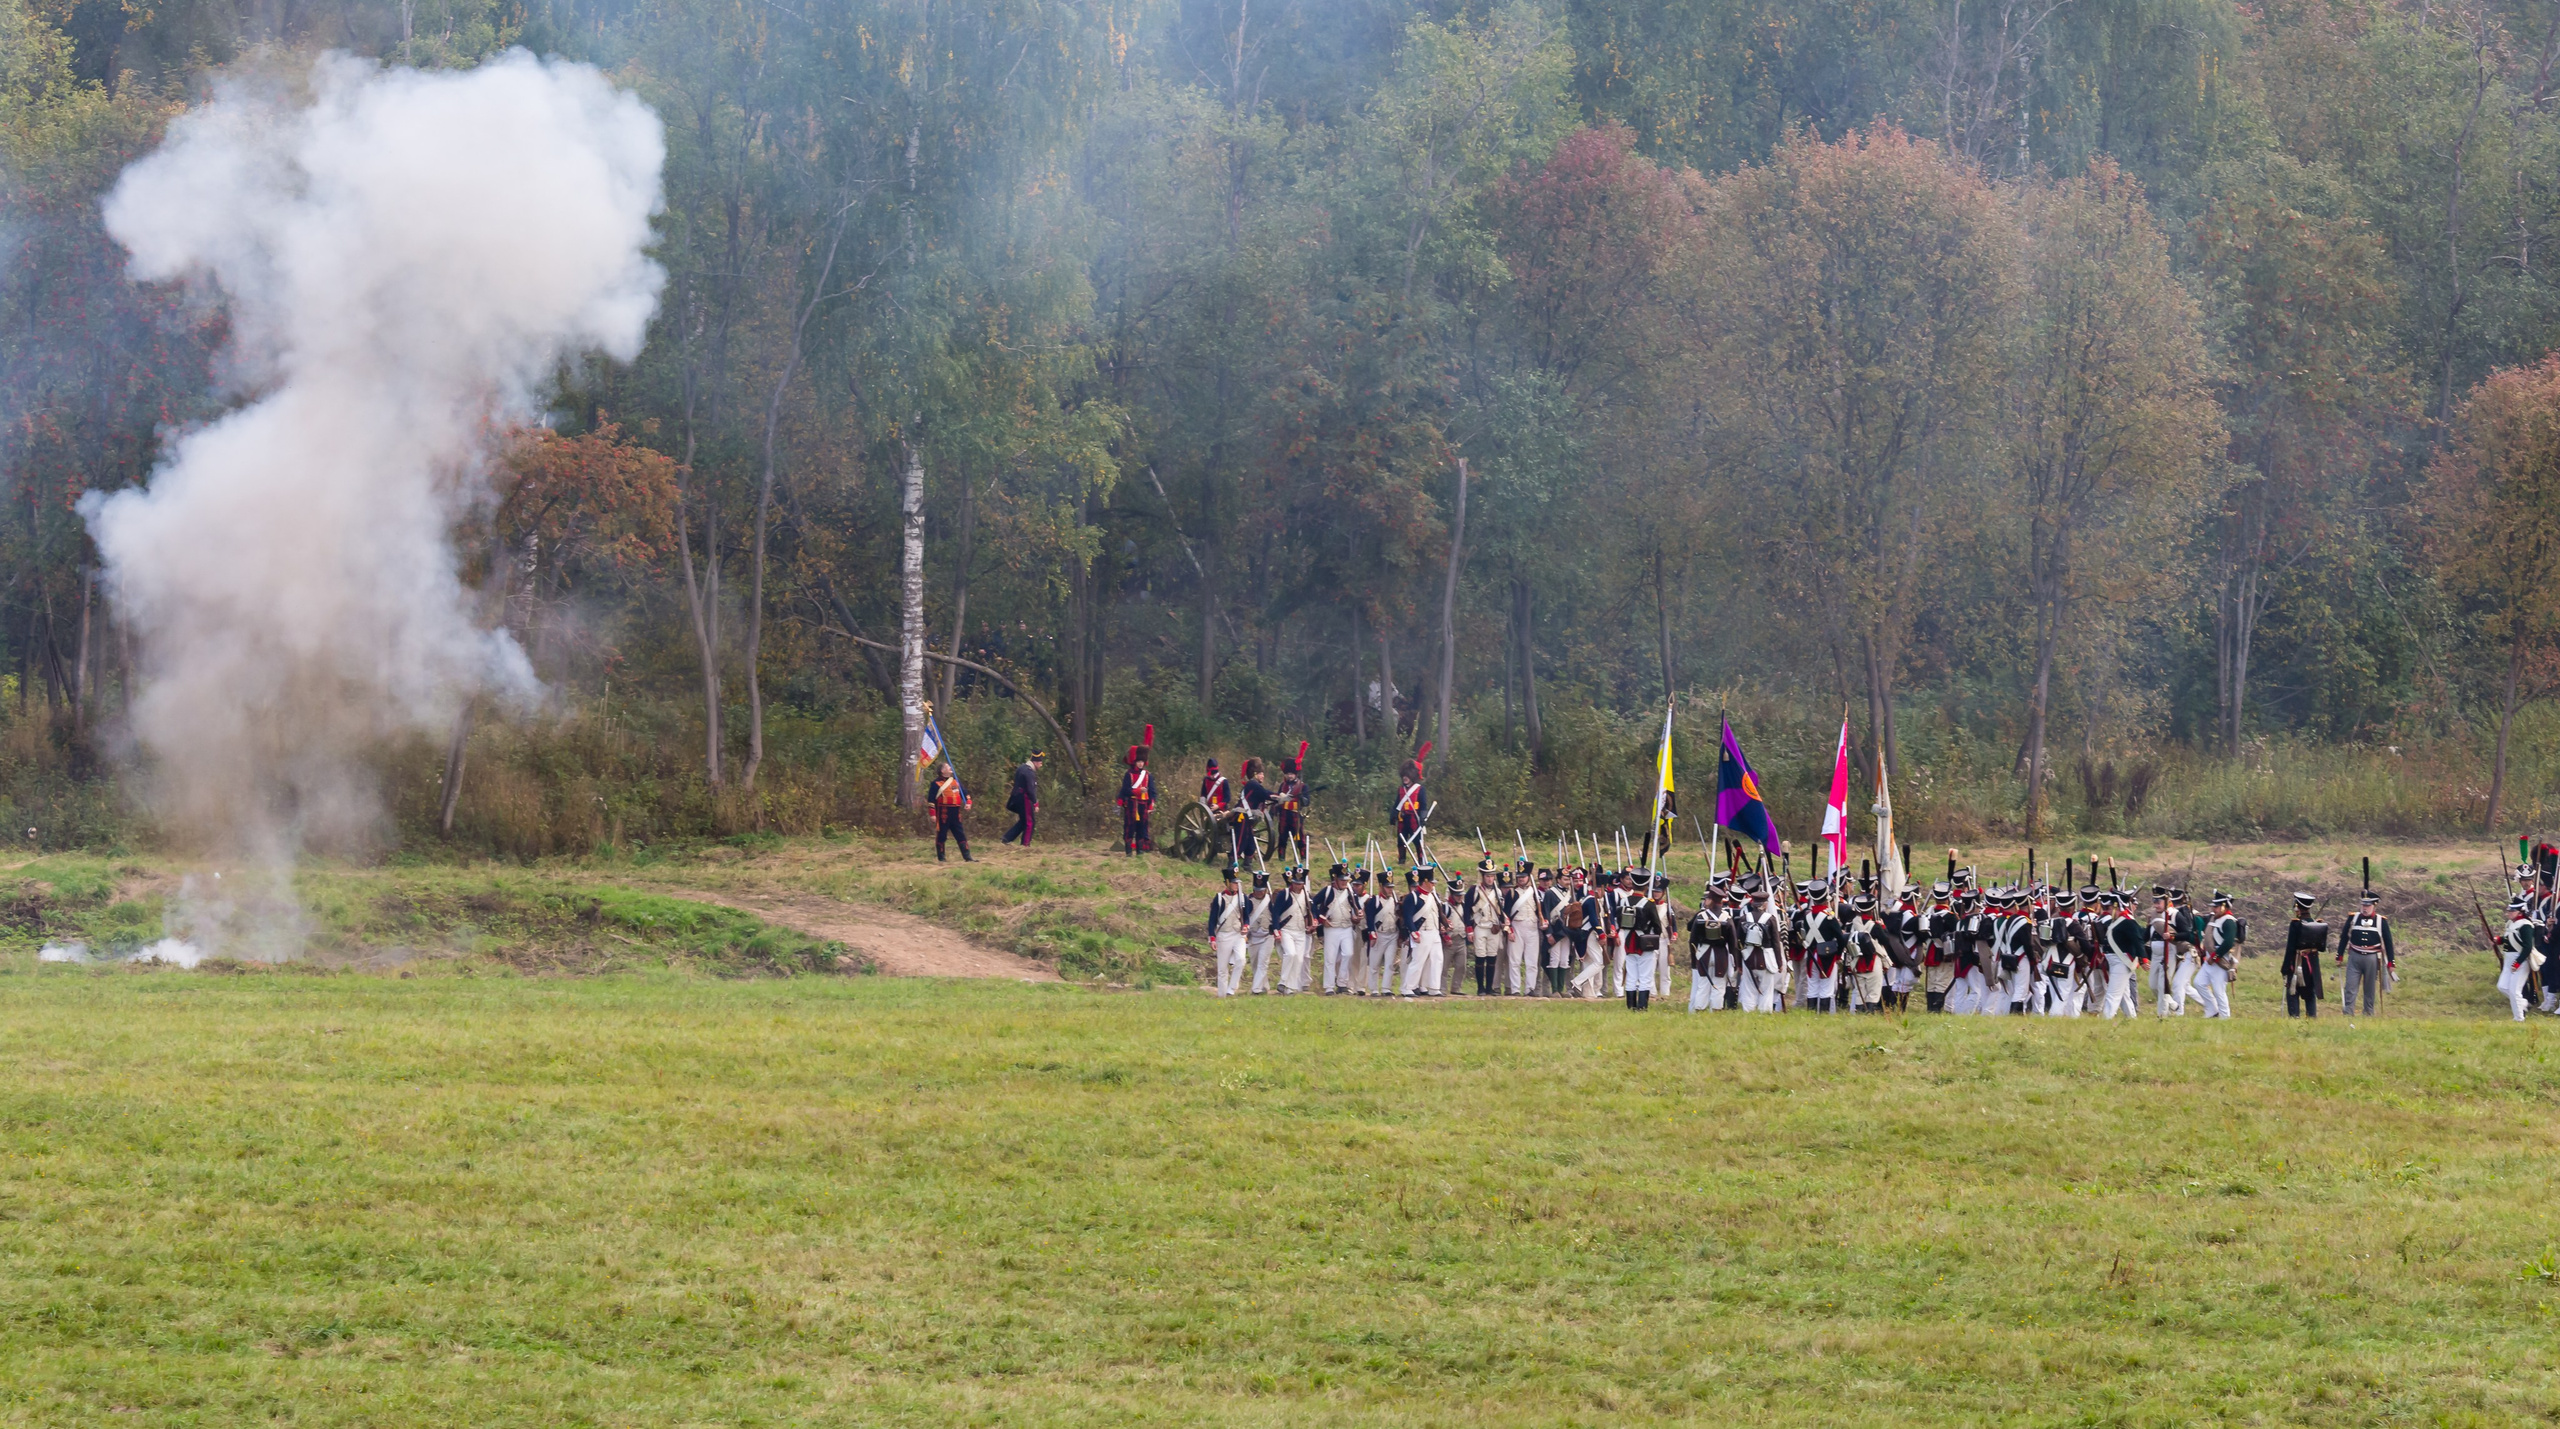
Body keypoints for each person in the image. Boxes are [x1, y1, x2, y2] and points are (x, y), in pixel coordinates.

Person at [2338, 891, 2394, 1016]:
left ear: (2374, 906)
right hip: (2354, 956)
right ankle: (2348, 1012)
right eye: (2363, 905)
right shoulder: (2353, 918)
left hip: (2372, 958)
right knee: (2350, 986)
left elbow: (2388, 942)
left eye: (2368, 906)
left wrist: (2391, 962)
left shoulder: (2381, 921)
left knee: (2370, 988)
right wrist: (2339, 955)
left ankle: (2368, 1012)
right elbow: (2344, 937)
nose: (2365, 908)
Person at [1398, 867, 1446, 998]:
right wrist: (1413, 932)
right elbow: (1408, 917)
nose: (1433, 885)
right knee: (1418, 961)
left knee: (1437, 959)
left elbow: (1437, 914)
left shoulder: (1432, 897)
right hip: (1422, 932)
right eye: (1431, 882)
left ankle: (1434, 987)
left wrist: (1442, 926)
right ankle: (1408, 988)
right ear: (1425, 882)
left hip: (1434, 932)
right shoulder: (1412, 897)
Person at [1689, 884, 1738, 1012]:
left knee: (1702, 985)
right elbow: (1733, 944)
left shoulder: (1700, 917)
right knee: (1719, 986)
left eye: (1707, 898)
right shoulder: (1727, 918)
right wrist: (1735, 963)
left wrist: (1694, 960)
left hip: (1703, 955)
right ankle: (1716, 1010)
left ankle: (1699, 1010)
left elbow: (1692, 941)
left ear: (1711, 900)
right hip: (1721, 955)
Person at [1623, 874, 1669, 1010]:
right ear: (1646, 887)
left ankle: (1631, 1006)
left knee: (1631, 976)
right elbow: (1657, 926)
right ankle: (1642, 1006)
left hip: (1628, 943)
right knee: (1645, 977)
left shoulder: (1623, 901)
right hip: (1644, 944)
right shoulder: (1648, 904)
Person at [2495, 893, 2543, 1022]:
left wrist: (2518, 962)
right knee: (2502, 986)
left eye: (2512, 911)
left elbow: (2527, 947)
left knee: (2514, 990)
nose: (2509, 913)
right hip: (2509, 959)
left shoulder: (2525, 925)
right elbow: (2510, 939)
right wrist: (2499, 940)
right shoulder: (2512, 923)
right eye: (2509, 911)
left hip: (2520, 960)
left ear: (2520, 911)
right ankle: (2523, 1003)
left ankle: (2519, 1018)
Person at [2098, 890, 2145, 1020]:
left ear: (2116, 907)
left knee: (2113, 994)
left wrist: (2144, 959)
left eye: (2110, 908)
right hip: (2115, 960)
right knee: (2124, 994)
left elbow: (2138, 940)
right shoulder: (2117, 920)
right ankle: (2131, 1018)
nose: (2108, 910)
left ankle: (2106, 1019)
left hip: (2121, 961)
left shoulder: (2128, 921)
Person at [2279, 892, 2326, 1018]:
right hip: (2312, 966)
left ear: (2297, 907)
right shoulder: (2317, 924)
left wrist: (2285, 968)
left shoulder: (2295, 924)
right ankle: (2312, 1017)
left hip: (2297, 963)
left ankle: (2294, 1017)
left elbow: (2290, 948)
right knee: (2310, 993)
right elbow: (2321, 948)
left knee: (2292, 991)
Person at [1313, 864, 1358, 995]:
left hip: (1346, 927)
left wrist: (1358, 914)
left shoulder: (1350, 892)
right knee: (1330, 958)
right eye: (1342, 880)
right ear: (1335, 879)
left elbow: (1357, 907)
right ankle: (1329, 987)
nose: (1344, 882)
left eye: (1346, 880)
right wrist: (1320, 918)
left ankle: (1342, 983)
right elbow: (1313, 903)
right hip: (1331, 928)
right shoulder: (1327, 891)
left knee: (1348, 954)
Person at [1208, 866, 1249, 997]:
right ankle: (1222, 995)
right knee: (1222, 968)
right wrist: (1212, 938)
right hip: (1224, 935)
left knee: (1241, 960)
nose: (1237, 885)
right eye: (1234, 882)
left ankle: (1231, 989)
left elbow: (1246, 916)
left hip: (1238, 934)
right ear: (1227, 883)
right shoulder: (1219, 898)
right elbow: (1212, 920)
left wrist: (1246, 925)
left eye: (1237, 883)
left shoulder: (1243, 898)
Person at [1504, 865, 1544, 996]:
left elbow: (1541, 911)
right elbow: (1505, 915)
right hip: (1517, 927)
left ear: (1529, 877)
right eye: (1519, 877)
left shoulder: (1535, 893)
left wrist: (1543, 921)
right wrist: (1509, 931)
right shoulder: (1512, 893)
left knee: (1532, 962)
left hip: (1532, 927)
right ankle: (1515, 989)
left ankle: (1530, 989)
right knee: (1514, 961)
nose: (1521, 879)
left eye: (1524, 876)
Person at [1272, 866, 1312, 994]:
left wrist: (1314, 920)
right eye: (1295, 883)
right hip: (1286, 930)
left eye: (1299, 883)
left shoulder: (1306, 895)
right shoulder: (1284, 894)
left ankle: (1290, 987)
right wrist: (1276, 930)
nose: (1297, 886)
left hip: (1300, 931)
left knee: (1299, 960)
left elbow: (1312, 911)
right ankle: (1283, 981)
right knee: (1290, 954)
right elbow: (1275, 913)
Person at [928, 761, 972, 862]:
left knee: (960, 834)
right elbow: (931, 800)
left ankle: (967, 857)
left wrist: (968, 803)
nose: (950, 768)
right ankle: (942, 858)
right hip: (943, 813)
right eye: (948, 767)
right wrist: (932, 814)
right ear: (942, 771)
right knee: (942, 835)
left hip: (956, 813)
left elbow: (965, 794)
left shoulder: (956, 781)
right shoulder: (936, 784)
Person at [1117, 741, 1154, 855]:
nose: (1140, 764)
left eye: (1142, 761)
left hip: (1143, 805)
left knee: (1142, 828)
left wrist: (1151, 806)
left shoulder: (1148, 775)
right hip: (1131, 804)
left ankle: (1140, 851)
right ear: (1135, 762)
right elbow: (1125, 790)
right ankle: (1128, 852)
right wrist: (1137, 791)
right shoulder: (1129, 774)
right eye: (1138, 761)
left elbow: (1152, 792)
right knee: (1129, 827)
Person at [1271, 755, 1309, 866]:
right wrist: (1274, 811)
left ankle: (1303, 857)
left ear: (1295, 774)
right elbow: (1278, 798)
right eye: (1288, 774)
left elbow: (1307, 802)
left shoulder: (1303, 786)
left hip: (1295, 814)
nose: (1289, 776)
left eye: (1291, 774)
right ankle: (1281, 857)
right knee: (1282, 837)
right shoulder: (1282, 785)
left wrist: (1302, 798)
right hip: (1283, 814)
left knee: (1299, 837)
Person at [1242, 870, 1275, 995]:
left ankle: (1255, 989)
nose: (1259, 892)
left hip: (1267, 936)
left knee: (1263, 963)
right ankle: (1264, 986)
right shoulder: (1247, 901)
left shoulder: (1271, 901)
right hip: (1253, 936)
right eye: (1257, 890)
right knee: (1255, 963)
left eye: (1261, 890)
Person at [1001, 751, 1043, 846]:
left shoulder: (1022, 768)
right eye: (1040, 763)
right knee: (1030, 822)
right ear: (1035, 762)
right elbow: (1030, 790)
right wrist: (1035, 803)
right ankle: (1025, 844)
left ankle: (1007, 838)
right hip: (1025, 799)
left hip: (1017, 798)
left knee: (1024, 821)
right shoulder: (1029, 772)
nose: (1041, 765)